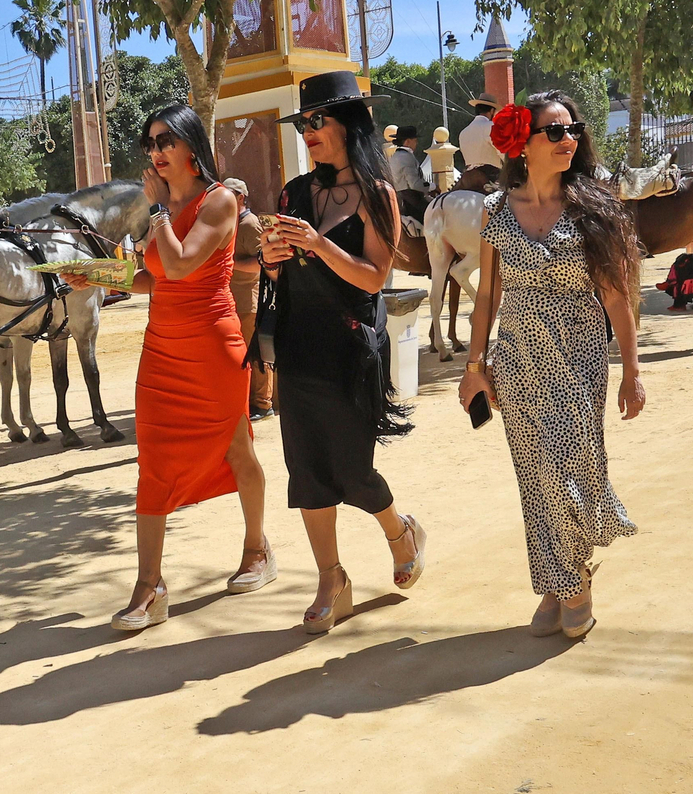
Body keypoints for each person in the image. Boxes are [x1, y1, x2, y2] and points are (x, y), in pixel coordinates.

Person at [62, 104, 273, 632]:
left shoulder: (220, 199)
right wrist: (96, 276)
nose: (154, 153)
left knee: (237, 448)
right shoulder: (165, 205)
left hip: (212, 346)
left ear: (189, 145)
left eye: (163, 141)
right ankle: (149, 586)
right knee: (152, 462)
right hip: (162, 350)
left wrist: (156, 213)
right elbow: (155, 280)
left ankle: (257, 550)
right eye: (149, 144)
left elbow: (180, 265)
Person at [459, 91, 644, 639]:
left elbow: (616, 298)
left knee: (574, 477)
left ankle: (575, 580)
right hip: (516, 363)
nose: (569, 140)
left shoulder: (594, 207)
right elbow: (487, 297)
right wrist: (474, 364)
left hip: (578, 362)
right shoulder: (496, 212)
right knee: (536, 479)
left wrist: (632, 371)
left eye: (573, 131)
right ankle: (557, 581)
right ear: (525, 143)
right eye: (555, 132)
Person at [258, 70, 425, 634]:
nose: (307, 132)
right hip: (299, 345)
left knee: (353, 472)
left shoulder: (379, 194)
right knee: (305, 471)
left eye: (316, 121)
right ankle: (332, 578)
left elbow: (376, 277)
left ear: (348, 124)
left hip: (350, 350)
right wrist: (273, 254)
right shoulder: (295, 193)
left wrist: (317, 243)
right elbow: (277, 272)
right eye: (303, 123)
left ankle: (399, 531)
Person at [223, 178, 274, 421]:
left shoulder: (250, 224)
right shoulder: (230, 223)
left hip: (250, 301)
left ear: (241, 197)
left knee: (256, 353)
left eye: (228, 194)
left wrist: (229, 264)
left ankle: (263, 404)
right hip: (234, 301)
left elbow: (261, 263)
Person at [388, 125, 435, 228]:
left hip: (400, 197)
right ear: (408, 141)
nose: (416, 143)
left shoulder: (395, 156)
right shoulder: (406, 157)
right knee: (437, 217)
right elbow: (414, 184)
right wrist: (432, 186)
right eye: (415, 140)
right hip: (411, 200)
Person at [459, 93, 507, 172]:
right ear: (492, 111)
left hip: (469, 175)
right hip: (491, 175)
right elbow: (502, 152)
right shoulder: (490, 126)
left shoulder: (463, 132)